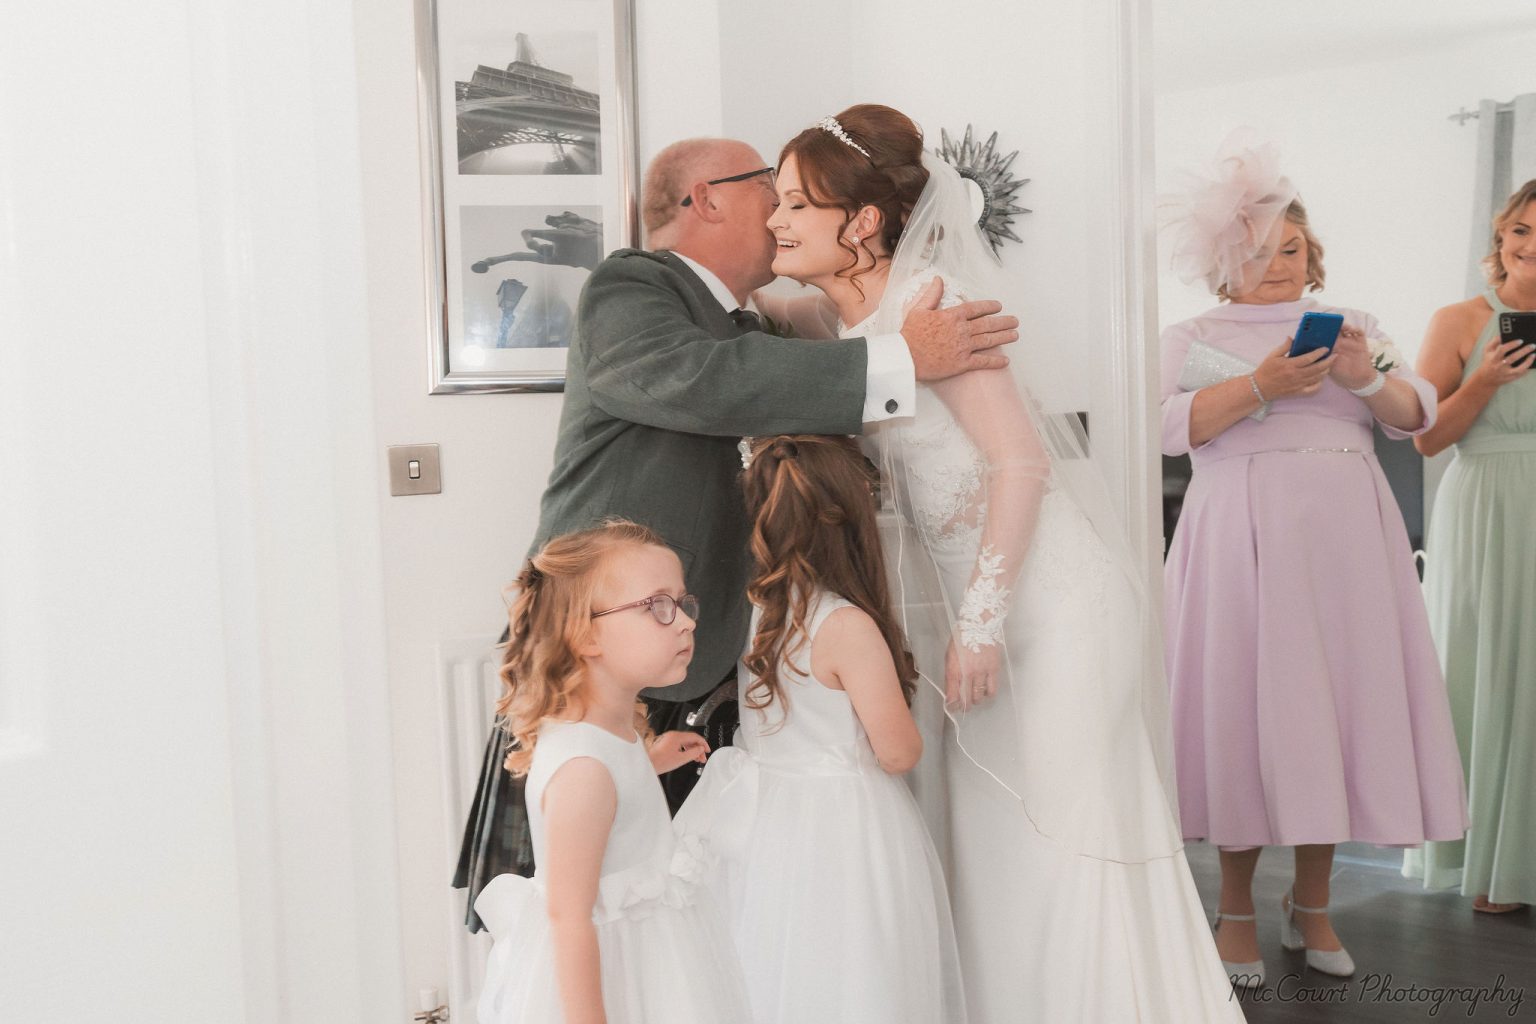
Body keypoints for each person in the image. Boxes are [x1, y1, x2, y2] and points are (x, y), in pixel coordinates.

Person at [453, 137, 1019, 929]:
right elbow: (705, 381)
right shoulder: (630, 286)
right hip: (601, 658)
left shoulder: (752, 325)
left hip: (698, 663)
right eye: (772, 190)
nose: (785, 212)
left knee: (672, 921)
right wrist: (897, 358)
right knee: (579, 916)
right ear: (708, 199)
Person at [765, 104, 1240, 1020]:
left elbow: (1020, 461)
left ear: (862, 223)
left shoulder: (931, 301)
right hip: (971, 614)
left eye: (793, 203)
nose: (775, 222)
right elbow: (748, 310)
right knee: (991, 844)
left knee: (1064, 838)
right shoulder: (827, 316)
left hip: (1051, 609)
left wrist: (981, 622)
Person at [1159, 135, 1468, 985]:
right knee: (1243, 713)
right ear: (1222, 260)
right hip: (1240, 541)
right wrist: (1260, 386)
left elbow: (1416, 419)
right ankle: (1232, 914)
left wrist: (1365, 378)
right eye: (1257, 253)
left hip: (1347, 543)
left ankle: (1314, 906)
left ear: (1311, 249)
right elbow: (1158, 428)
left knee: (1331, 712)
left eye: (1290, 249)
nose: (1278, 265)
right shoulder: (1186, 333)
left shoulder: (1358, 324)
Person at [675, 435, 965, 1024]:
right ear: (850, 522)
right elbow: (898, 752)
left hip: (769, 822)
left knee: (778, 960)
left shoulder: (759, 610)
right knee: (856, 966)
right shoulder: (846, 626)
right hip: (843, 829)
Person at [474, 520, 750, 1024]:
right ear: (585, 634)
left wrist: (648, 762)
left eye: (684, 604)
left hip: (649, 954)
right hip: (617, 981)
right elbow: (569, 920)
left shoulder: (608, 739)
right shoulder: (584, 771)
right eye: (658, 607)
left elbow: (611, 809)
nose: (686, 622)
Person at [1404, 179, 1536, 914]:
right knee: (1491, 668)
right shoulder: (1459, 319)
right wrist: (1483, 380)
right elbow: (1426, 438)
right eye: (1520, 230)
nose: (1529, 248)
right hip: (1486, 502)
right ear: (1501, 237)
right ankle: (1492, 866)